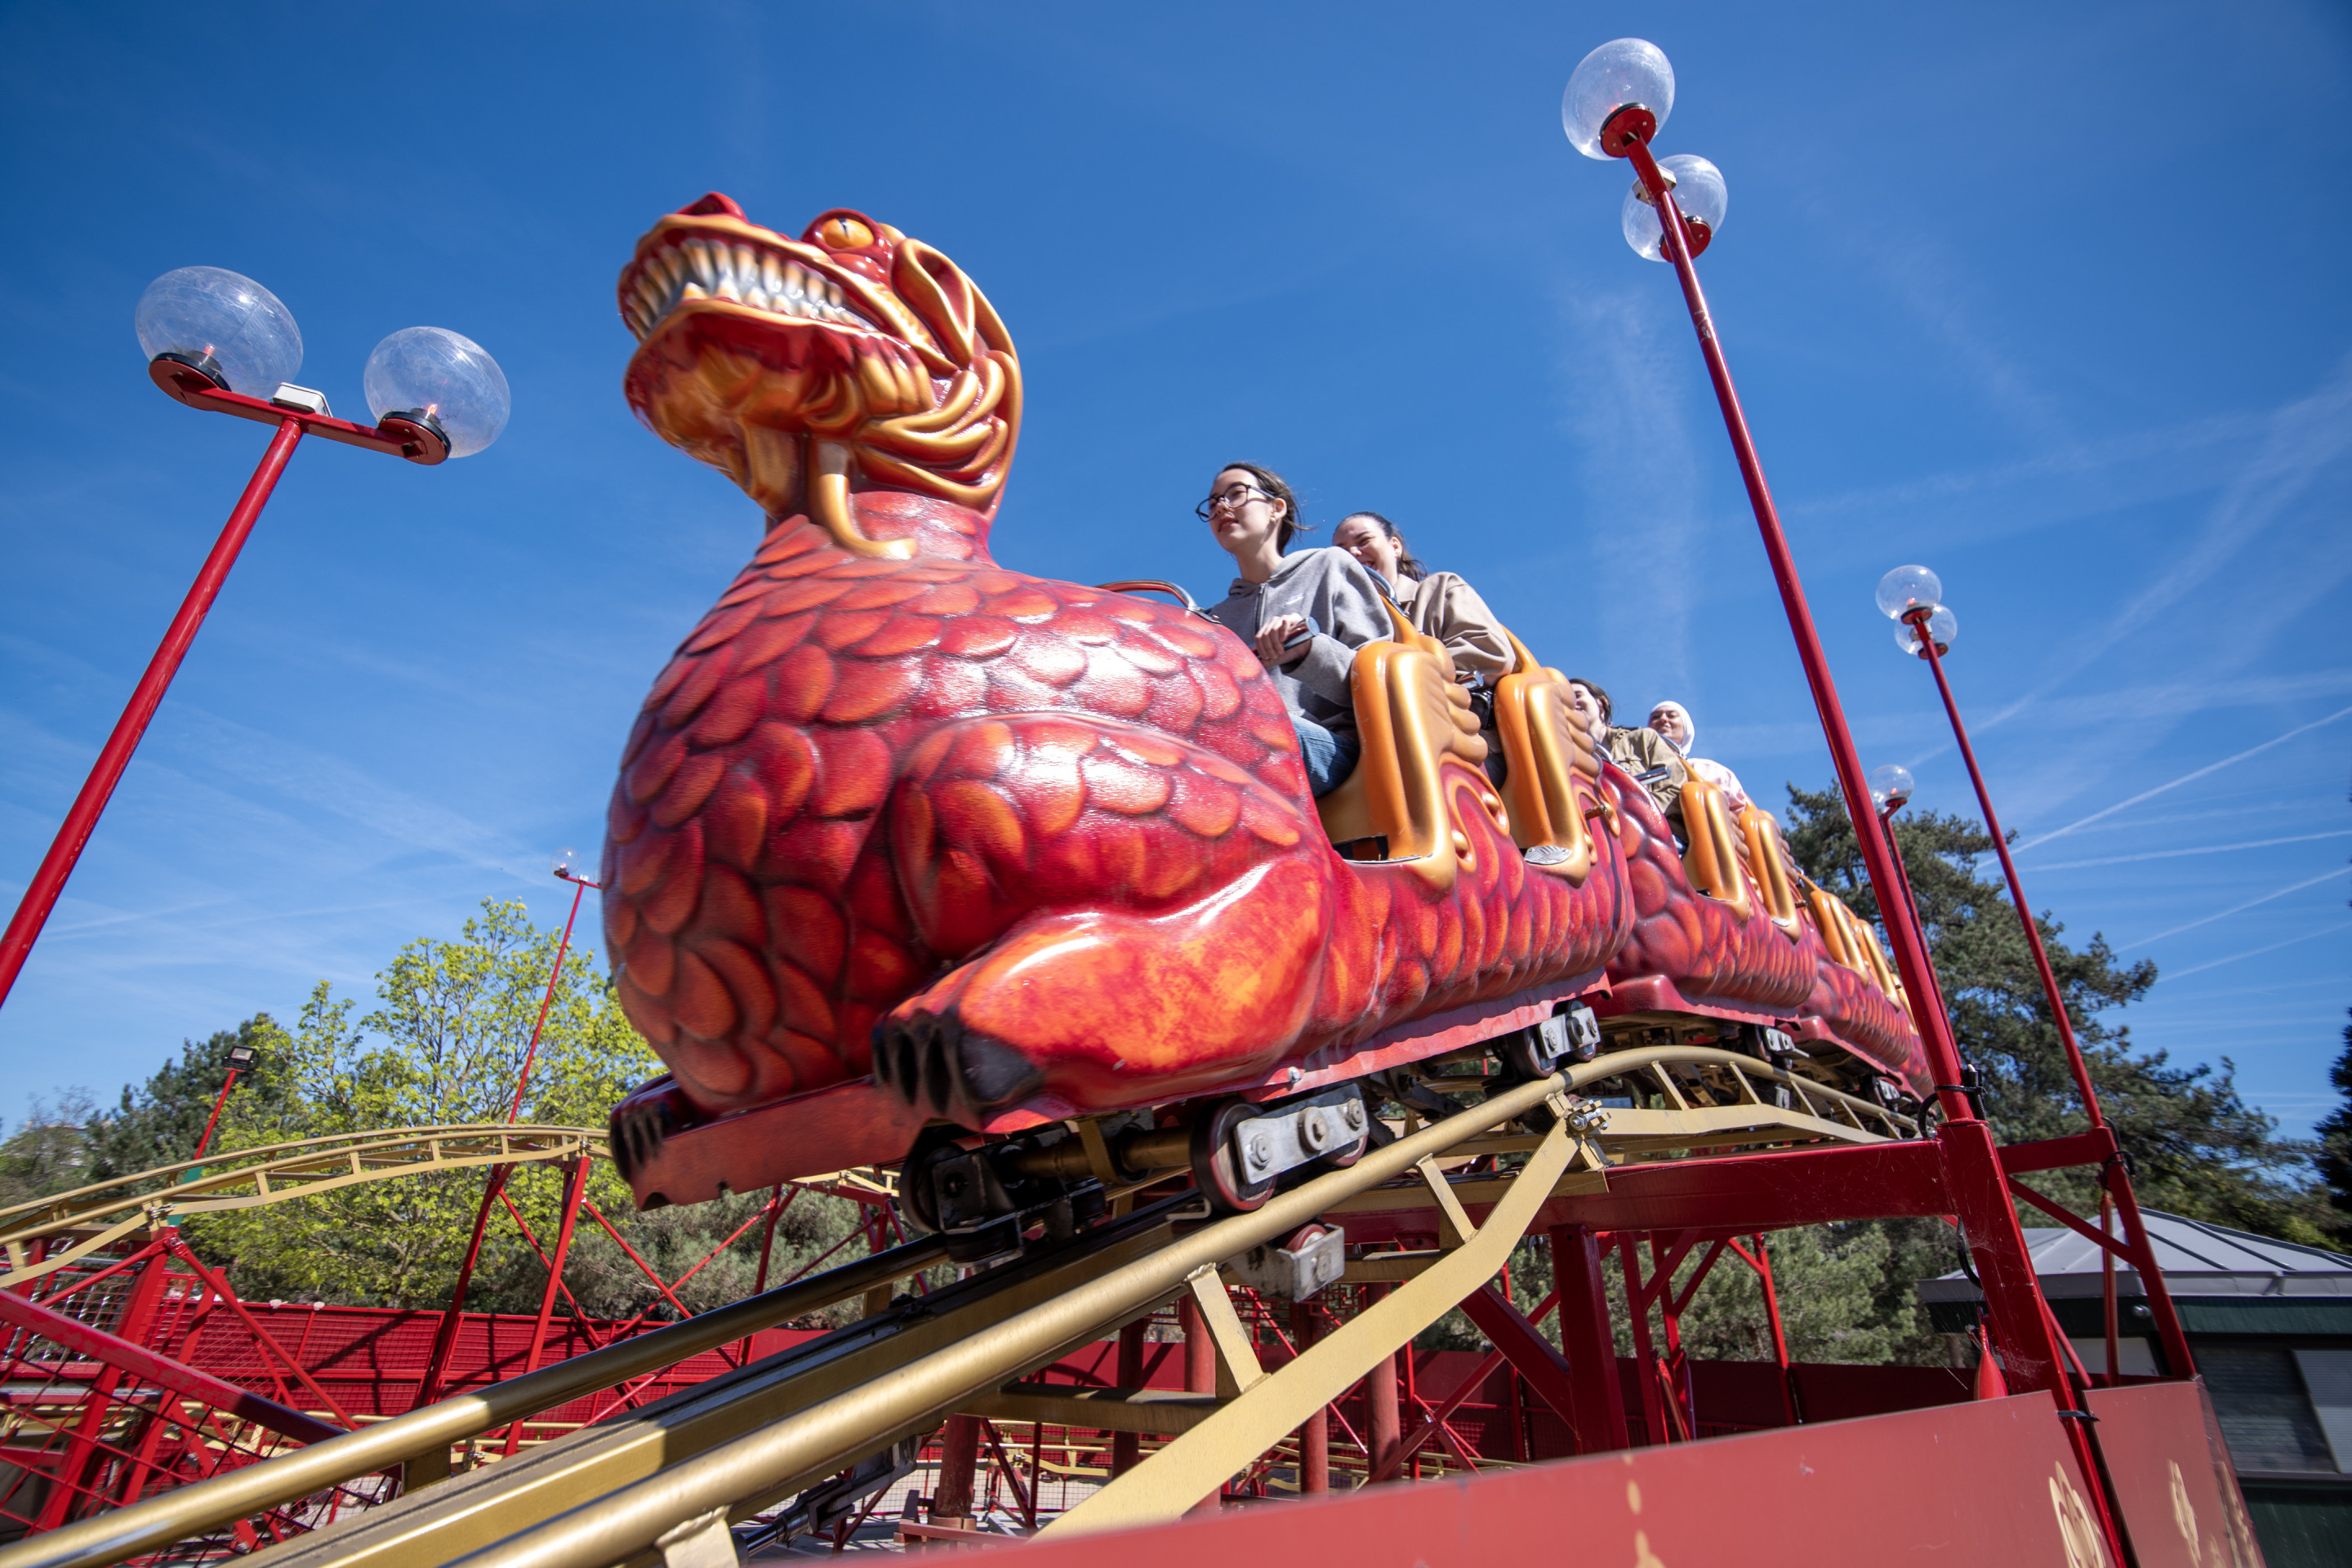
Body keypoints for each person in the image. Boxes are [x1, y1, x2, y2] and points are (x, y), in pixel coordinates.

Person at [1200, 463, 1392, 797]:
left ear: (1276, 508)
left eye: (1236, 493)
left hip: (1336, 748)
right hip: (1246, 745)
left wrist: (1308, 650)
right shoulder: (1213, 620)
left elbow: (1381, 680)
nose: (1221, 507)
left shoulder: (1329, 565)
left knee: (1246, 735)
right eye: (1214, 502)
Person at [1330, 511, 1513, 686]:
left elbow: (1488, 651)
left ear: (1395, 547)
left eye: (1364, 541)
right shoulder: (1338, 623)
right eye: (1342, 553)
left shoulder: (1440, 590)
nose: (1353, 553)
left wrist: (1402, 676)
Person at [1565, 677, 1686, 831]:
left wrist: (1633, 817)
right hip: (1600, 835)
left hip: (1657, 833)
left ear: (1601, 703)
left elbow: (1675, 788)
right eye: (1565, 702)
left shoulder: (1643, 738)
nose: (1572, 703)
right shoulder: (1572, 760)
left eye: (1578, 695)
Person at [1647, 700, 1751, 812]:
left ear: (1686, 729)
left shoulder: (1710, 770)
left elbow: (1734, 812)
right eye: (1655, 717)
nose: (1663, 719)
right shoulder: (1637, 766)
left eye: (1671, 715)